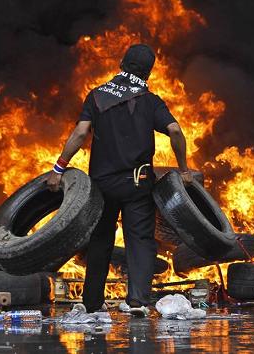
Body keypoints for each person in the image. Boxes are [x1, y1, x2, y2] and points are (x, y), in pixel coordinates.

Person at [46, 44, 193, 317]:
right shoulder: (150, 101)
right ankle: (137, 302)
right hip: (137, 184)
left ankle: (92, 303)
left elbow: (80, 133)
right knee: (140, 240)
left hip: (101, 186)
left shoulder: (97, 96)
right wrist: (183, 169)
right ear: (148, 73)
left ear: (122, 64)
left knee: (100, 239)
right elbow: (174, 130)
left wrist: (59, 168)